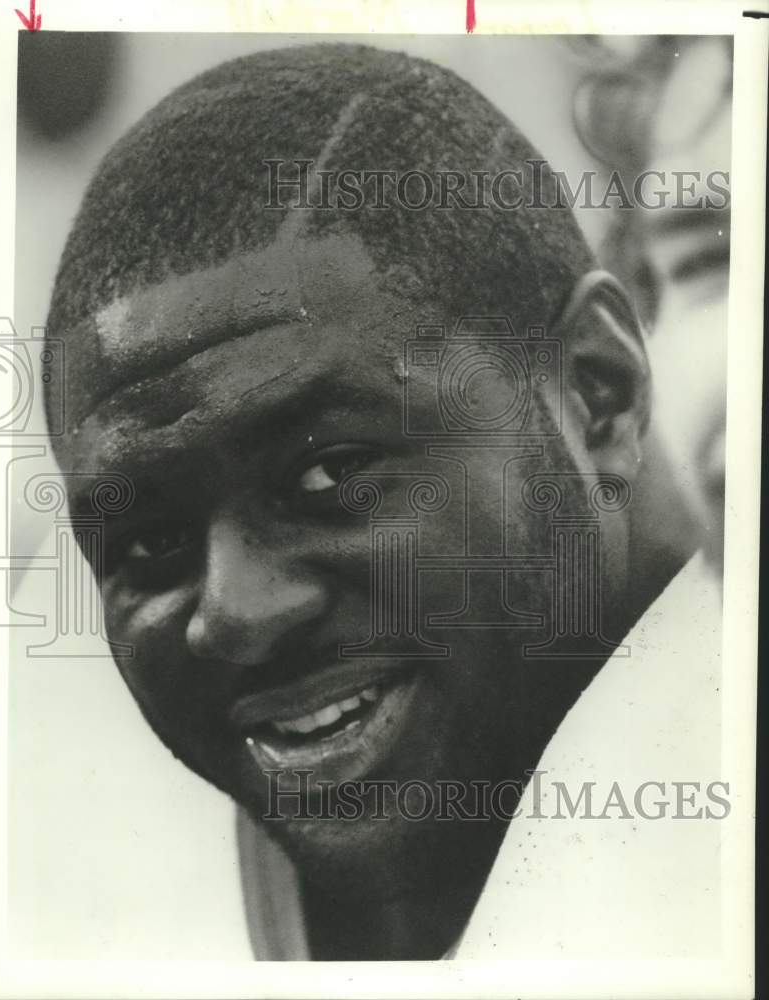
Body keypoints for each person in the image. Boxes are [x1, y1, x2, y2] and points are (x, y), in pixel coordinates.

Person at [42, 43, 708, 960]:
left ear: (596, 395)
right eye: (151, 543)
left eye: (331, 473)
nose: (235, 615)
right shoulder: (85, 891)